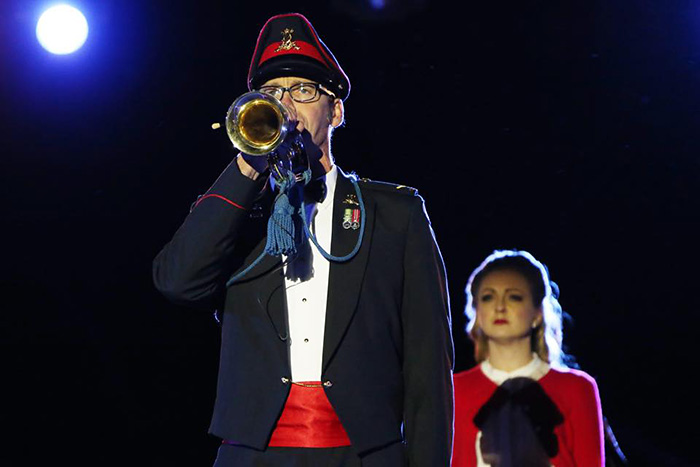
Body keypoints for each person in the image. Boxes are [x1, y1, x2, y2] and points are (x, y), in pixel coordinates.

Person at [152, 12, 454, 467]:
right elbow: (177, 282)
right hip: (255, 456)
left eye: (303, 91)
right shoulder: (238, 215)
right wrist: (249, 164)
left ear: (336, 111)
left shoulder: (396, 214)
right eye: (272, 94)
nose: (286, 106)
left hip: (364, 455)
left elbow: (428, 368)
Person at [452, 249, 604, 466]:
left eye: (514, 297)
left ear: (538, 313)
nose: (500, 307)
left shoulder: (576, 388)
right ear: (476, 311)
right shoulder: (454, 391)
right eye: (488, 297)